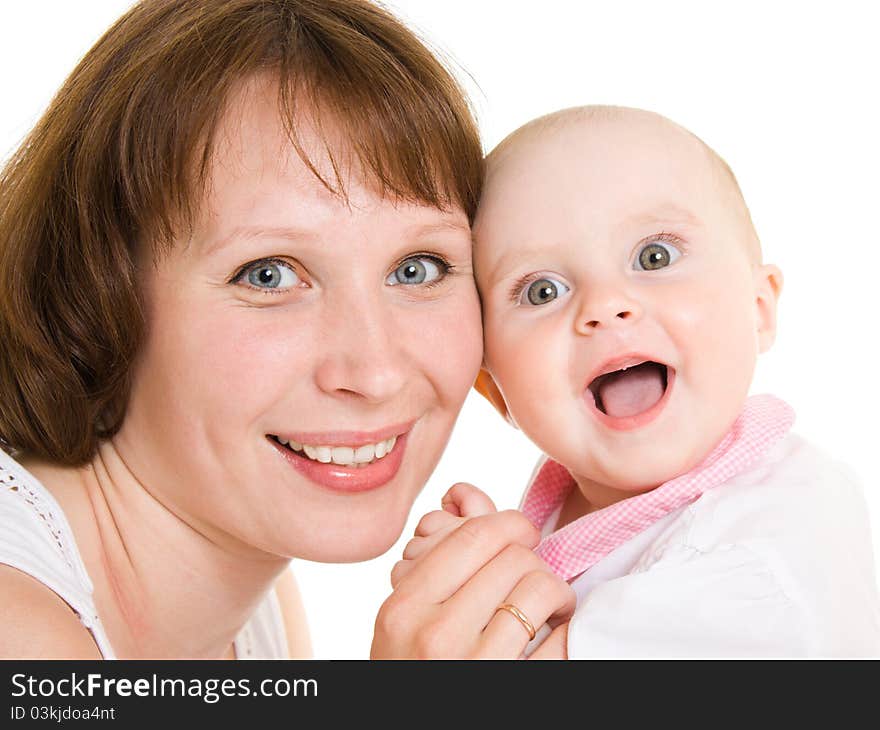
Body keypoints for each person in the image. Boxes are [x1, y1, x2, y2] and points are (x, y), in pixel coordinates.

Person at [0, 0, 577, 660]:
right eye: (269, 275)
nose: (375, 372)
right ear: (92, 293)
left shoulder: (255, 602)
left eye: (418, 268)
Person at [385, 106, 880, 657]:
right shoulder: (580, 492)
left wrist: (454, 606)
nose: (605, 305)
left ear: (758, 309)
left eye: (654, 256)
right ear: (495, 390)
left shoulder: (748, 567)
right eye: (542, 291)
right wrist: (479, 578)